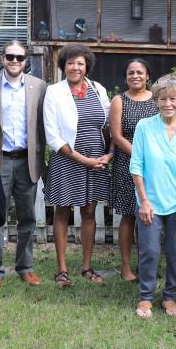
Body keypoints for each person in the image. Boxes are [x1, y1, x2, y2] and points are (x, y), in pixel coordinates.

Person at [43, 44, 113, 287]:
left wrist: (109, 154)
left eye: (80, 63)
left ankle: (87, 267)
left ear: (87, 66)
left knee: (90, 212)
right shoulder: (54, 92)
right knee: (62, 211)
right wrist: (83, 160)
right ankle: (62, 270)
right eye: (70, 62)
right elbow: (52, 135)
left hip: (96, 158)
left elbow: (110, 124)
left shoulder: (98, 89)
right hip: (67, 158)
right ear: (63, 65)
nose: (75, 67)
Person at [130, 75, 176, 318]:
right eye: (163, 99)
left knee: (175, 251)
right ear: (156, 101)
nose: (168, 103)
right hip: (151, 202)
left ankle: (170, 297)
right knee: (149, 251)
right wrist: (144, 201)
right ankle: (146, 297)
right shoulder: (144, 127)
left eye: (173, 99)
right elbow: (136, 166)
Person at [0, 40, 47, 293]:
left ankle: (25, 268)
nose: (14, 61)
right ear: (2, 58)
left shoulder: (38, 87)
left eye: (19, 57)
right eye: (10, 56)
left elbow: (44, 124)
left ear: (26, 60)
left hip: (27, 161)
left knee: (27, 218)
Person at [108, 58, 158, 282]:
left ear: (148, 76)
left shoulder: (157, 100)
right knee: (129, 215)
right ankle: (126, 267)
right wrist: (141, 157)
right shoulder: (119, 100)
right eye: (131, 73)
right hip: (127, 164)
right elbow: (117, 136)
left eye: (140, 72)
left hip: (156, 166)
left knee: (149, 217)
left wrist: (154, 159)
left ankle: (146, 265)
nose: (135, 76)